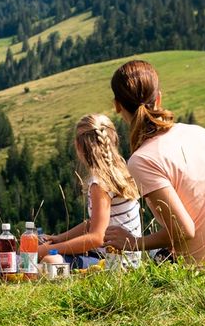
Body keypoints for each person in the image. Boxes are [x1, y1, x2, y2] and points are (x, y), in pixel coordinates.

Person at [103, 60, 205, 275]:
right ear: (158, 97)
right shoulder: (198, 132)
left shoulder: (142, 160)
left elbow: (183, 230)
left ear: (117, 105)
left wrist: (133, 243)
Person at [38, 114, 142, 270]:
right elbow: (95, 222)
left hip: (114, 265)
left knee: (51, 260)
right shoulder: (120, 171)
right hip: (129, 261)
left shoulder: (99, 184)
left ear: (79, 146)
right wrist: (59, 239)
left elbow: (96, 238)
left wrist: (49, 249)